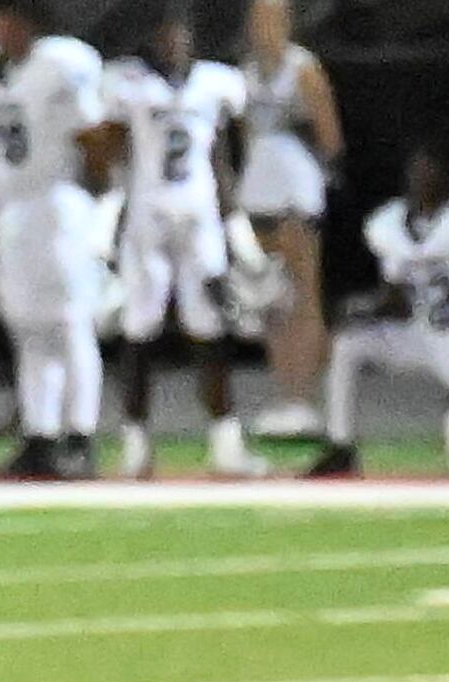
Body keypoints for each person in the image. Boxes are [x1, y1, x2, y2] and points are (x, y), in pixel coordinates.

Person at [0, 0, 116, 476]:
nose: (6, 27)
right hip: (11, 208)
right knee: (26, 326)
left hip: (58, 202)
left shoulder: (63, 63)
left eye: (16, 18)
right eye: (1, 17)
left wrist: (98, 210)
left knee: (70, 322)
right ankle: (40, 432)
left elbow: (96, 140)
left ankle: (81, 434)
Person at [107, 7, 260, 477]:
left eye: (178, 33)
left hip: (201, 219)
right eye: (162, 33)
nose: (171, 42)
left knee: (210, 327)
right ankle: (135, 441)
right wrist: (108, 220)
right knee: (139, 329)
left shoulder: (216, 84)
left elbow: (221, 157)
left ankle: (226, 441)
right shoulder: (130, 83)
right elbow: (115, 155)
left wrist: (238, 228)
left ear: (192, 39)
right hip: (147, 218)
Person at [309, 139, 449, 473]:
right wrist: (364, 309)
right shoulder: (391, 224)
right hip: (419, 331)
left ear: (448, 178)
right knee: (347, 345)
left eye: (430, 169)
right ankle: (341, 446)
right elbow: (396, 298)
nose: (421, 176)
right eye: (416, 169)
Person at [235, 0, 343, 439]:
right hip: (257, 187)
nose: (264, 26)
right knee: (270, 298)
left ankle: (305, 398)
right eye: (257, 17)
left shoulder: (303, 69)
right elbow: (242, 136)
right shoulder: (244, 73)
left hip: (295, 186)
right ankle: (284, 397)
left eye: (272, 17)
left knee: (303, 295)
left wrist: (307, 163)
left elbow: (330, 137)